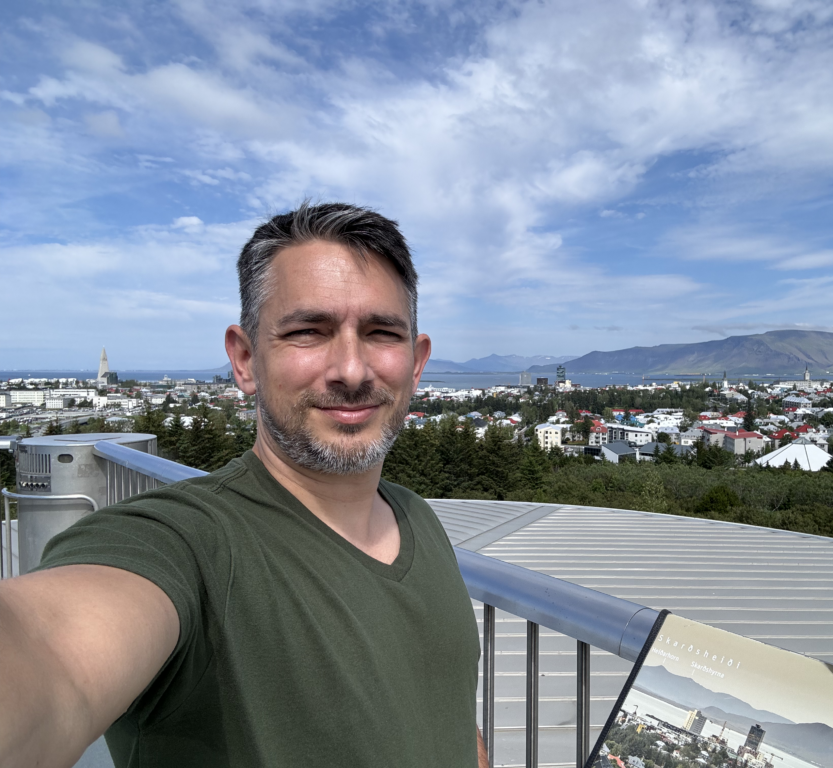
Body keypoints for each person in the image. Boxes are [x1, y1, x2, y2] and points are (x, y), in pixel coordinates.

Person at [0, 203, 488, 768]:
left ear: (417, 361)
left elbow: (445, 711)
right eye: (309, 331)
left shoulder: (415, 516)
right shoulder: (188, 545)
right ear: (245, 358)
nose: (351, 370)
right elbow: (48, 656)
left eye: (381, 332)